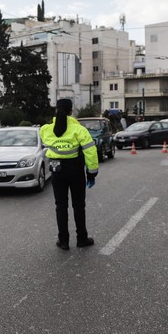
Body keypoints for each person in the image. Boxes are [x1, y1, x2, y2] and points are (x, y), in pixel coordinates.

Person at [40, 99, 99, 250]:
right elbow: (90, 152)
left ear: (56, 111)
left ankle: (63, 241)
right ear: (71, 111)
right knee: (79, 206)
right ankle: (82, 239)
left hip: (57, 172)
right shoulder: (79, 130)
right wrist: (91, 174)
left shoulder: (46, 130)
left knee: (61, 206)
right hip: (75, 171)